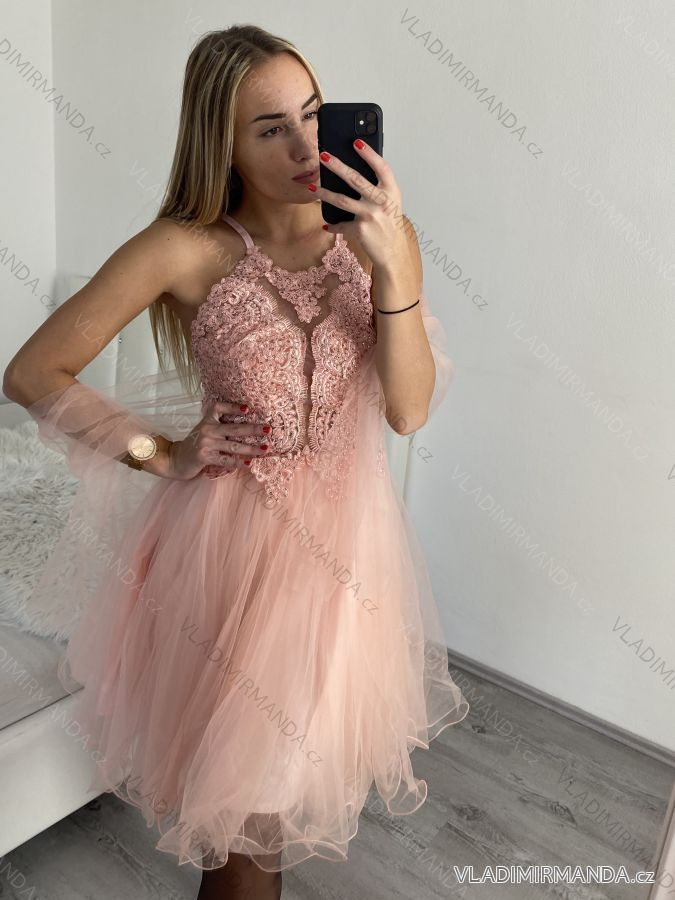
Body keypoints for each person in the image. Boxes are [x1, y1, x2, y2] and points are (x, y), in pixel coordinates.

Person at [3, 24, 469, 900]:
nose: (305, 146)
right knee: (247, 832)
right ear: (221, 144)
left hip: (349, 563)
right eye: (270, 129)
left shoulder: (381, 236)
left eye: (314, 115)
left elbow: (407, 410)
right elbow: (31, 373)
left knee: (278, 810)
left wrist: (390, 267)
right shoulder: (184, 248)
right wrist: (160, 451)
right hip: (231, 561)